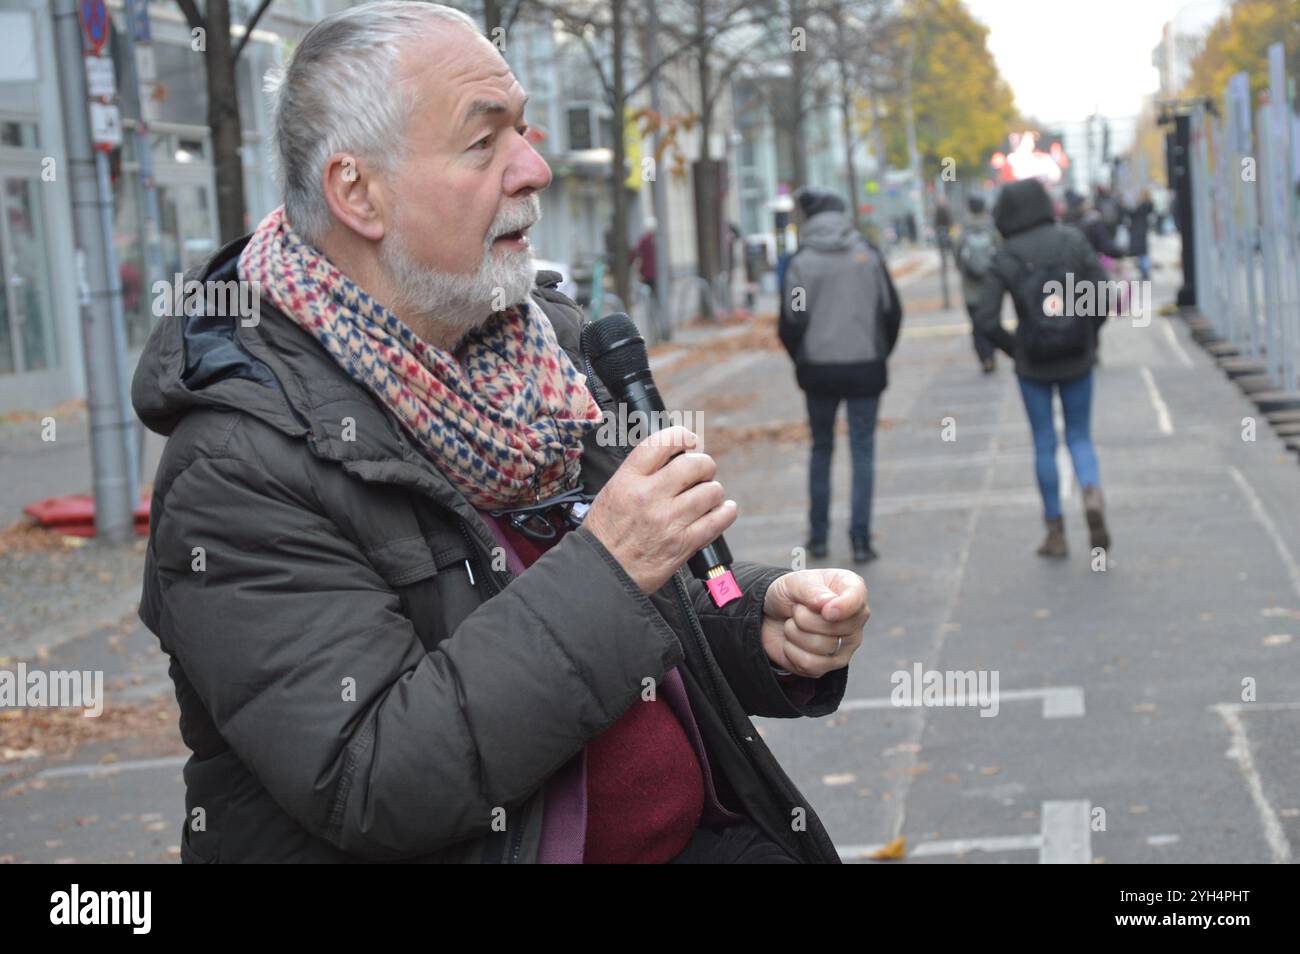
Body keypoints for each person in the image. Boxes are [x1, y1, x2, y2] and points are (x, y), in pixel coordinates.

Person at [132, 2, 870, 865]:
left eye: (523, 130)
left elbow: (613, 609)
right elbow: (375, 776)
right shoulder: (239, 463)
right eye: (485, 144)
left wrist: (761, 630)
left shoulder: (540, 346)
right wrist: (612, 564)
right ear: (358, 192)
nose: (534, 169)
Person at [971, 178, 1112, 559]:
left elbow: (985, 318)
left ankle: (1055, 533)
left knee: (1044, 442)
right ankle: (1091, 491)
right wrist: (1089, 334)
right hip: (1076, 357)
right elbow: (1104, 293)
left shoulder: (1005, 255)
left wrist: (1014, 349)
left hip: (1033, 364)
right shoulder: (1073, 240)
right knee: (1080, 436)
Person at [779, 186, 902, 565]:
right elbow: (891, 312)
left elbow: (791, 321)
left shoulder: (801, 262)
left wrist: (802, 359)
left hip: (819, 370)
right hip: (865, 365)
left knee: (821, 448)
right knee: (862, 449)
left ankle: (818, 538)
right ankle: (861, 540)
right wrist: (879, 352)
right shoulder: (867, 255)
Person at [954, 196, 999, 373]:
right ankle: (992, 352)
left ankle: (985, 357)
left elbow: (957, 257)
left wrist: (965, 272)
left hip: (970, 288)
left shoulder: (964, 231)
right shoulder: (992, 229)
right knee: (992, 320)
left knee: (976, 324)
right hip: (992, 287)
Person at [1126, 189, 1154, 281]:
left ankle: (1144, 272)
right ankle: (1144, 272)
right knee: (1143, 252)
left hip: (1139, 231)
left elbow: (1133, 213)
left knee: (1142, 252)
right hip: (1142, 230)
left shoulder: (1143, 206)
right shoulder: (1147, 205)